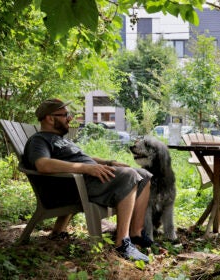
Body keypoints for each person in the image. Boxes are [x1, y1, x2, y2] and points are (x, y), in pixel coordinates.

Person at [22, 98, 153, 262]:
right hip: (74, 187)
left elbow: (83, 158)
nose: (69, 118)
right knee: (130, 175)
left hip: (87, 180)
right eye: (65, 115)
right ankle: (122, 244)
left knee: (145, 175)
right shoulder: (39, 140)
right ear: (49, 118)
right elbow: (43, 164)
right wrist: (86, 168)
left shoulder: (61, 140)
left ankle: (135, 233)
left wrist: (107, 162)